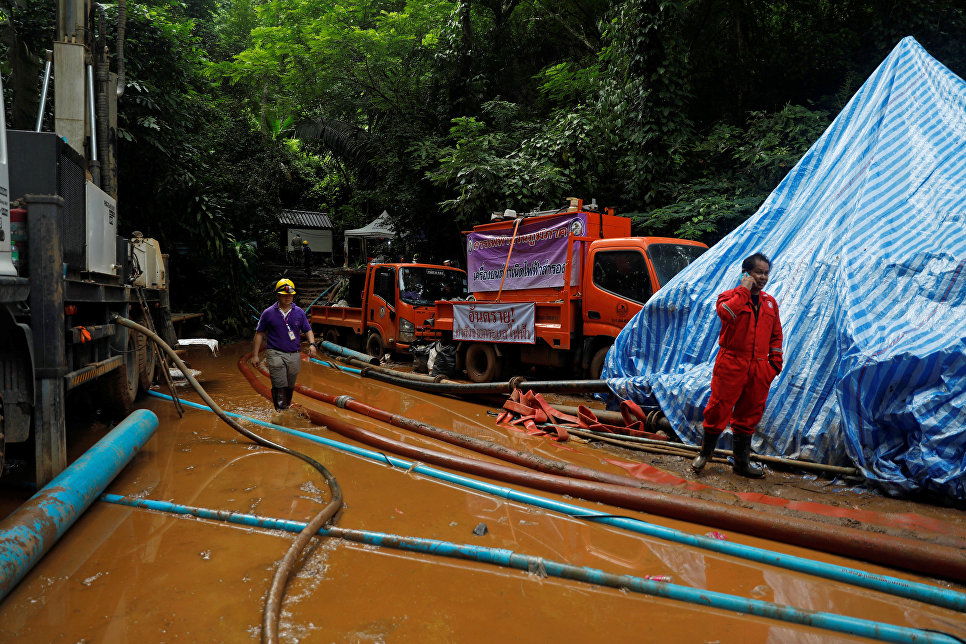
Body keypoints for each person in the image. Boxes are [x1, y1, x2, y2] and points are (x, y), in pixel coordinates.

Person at [692, 252, 783, 478]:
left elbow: (776, 337)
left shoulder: (770, 303)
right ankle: (705, 454)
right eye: (758, 272)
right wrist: (744, 290)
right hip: (731, 363)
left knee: (749, 413)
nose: (763, 277)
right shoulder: (728, 297)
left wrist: (773, 366)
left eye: (766, 273)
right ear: (746, 273)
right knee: (717, 409)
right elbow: (727, 314)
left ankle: (741, 464)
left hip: (759, 368)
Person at [252, 278, 317, 411]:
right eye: (284, 295)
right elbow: (259, 334)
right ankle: (281, 413)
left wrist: (312, 344)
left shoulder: (299, 312)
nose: (288, 297)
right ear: (278, 295)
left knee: (289, 385)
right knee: (279, 383)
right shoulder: (268, 313)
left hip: (294, 354)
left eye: (290, 295)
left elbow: (307, 329)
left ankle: (285, 407)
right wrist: (255, 355)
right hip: (274, 352)